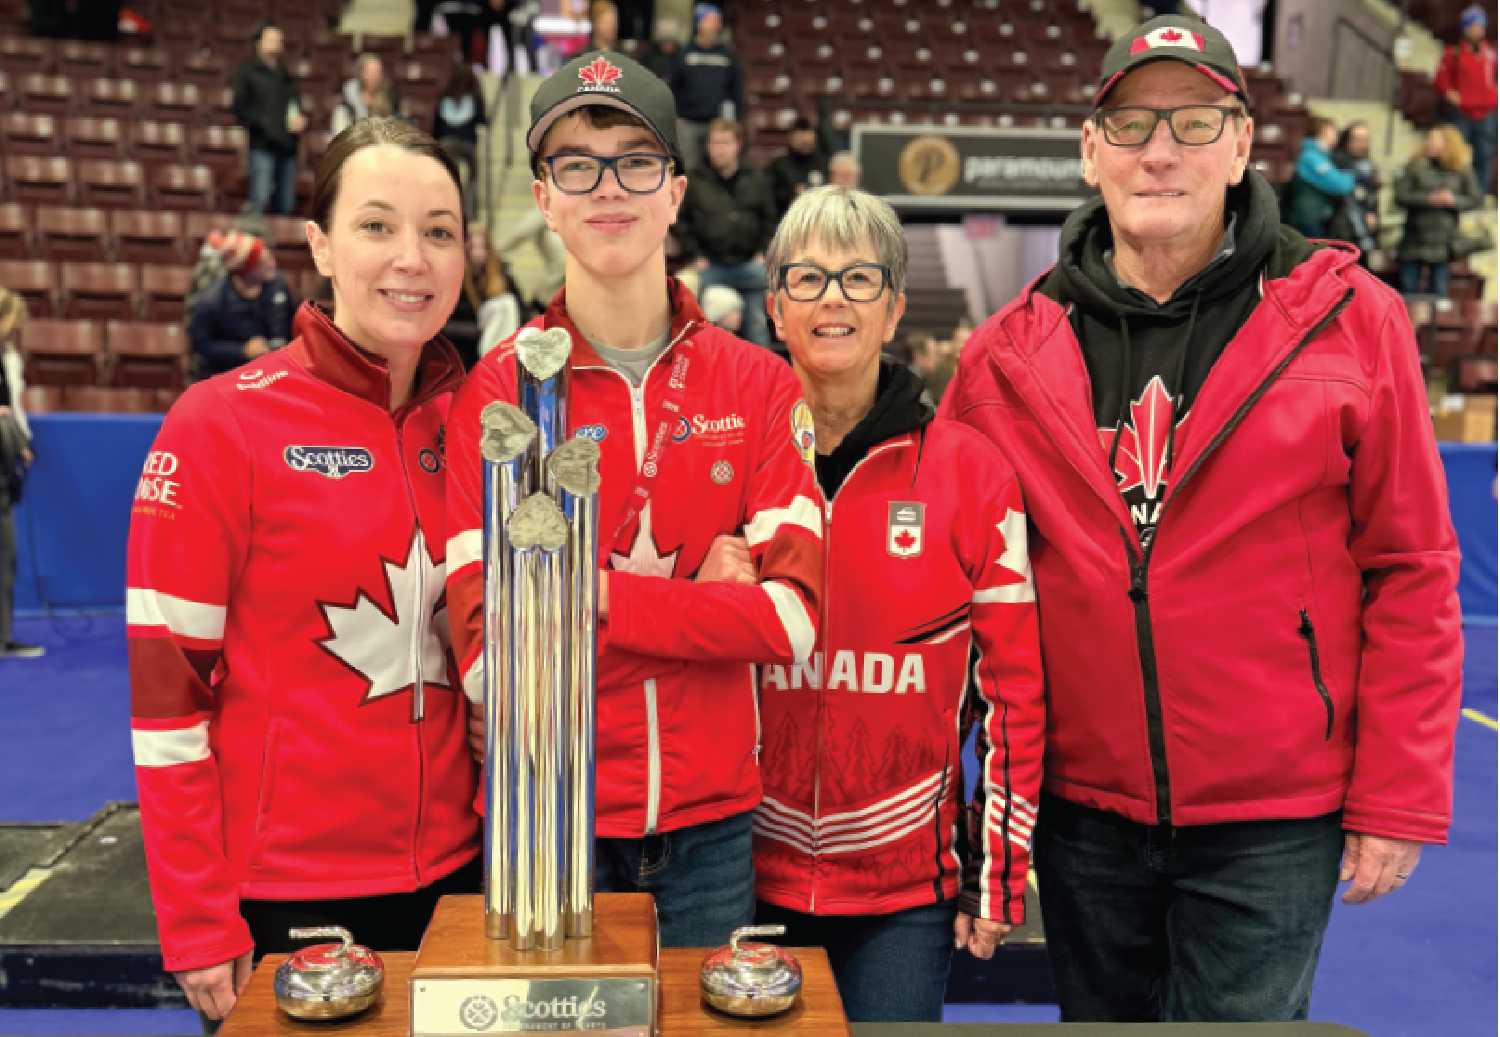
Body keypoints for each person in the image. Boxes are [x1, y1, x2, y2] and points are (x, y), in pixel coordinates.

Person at [941, 15, 1462, 1023]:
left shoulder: (1352, 320)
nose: (1161, 150)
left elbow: (1412, 565)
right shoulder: (1003, 356)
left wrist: (1396, 793)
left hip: (1274, 811)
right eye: (1132, 124)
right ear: (1091, 152)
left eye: (1191, 121)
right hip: (1082, 811)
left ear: (1239, 143)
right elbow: (965, 594)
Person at [446, 50, 822, 948]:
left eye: (636, 161)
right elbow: (491, 668)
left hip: (713, 828)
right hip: (547, 822)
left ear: (676, 192)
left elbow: (793, 624)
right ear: (544, 197)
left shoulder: (761, 385)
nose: (608, 188)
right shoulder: (502, 394)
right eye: (577, 163)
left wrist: (593, 593)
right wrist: (709, 609)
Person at [127, 117, 479, 1023]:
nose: (412, 257)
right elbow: (169, 702)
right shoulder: (219, 425)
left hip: (462, 880)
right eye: (376, 225)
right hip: (286, 897)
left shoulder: (485, 426)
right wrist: (199, 918)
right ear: (318, 243)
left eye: (439, 230)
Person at [752, 186, 1044, 1023]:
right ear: (777, 309)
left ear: (894, 309)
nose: (833, 297)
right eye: (806, 278)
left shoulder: (971, 472)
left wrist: (998, 869)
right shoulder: (735, 462)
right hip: (741, 873)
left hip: (901, 893)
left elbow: (1015, 694)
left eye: (859, 278)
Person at [675, 118, 777, 347]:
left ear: (737, 145)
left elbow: (770, 220)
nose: (718, 149)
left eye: (725, 142)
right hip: (710, 266)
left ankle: (761, 380)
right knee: (699, 321)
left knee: (757, 325)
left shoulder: (757, 179)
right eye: (714, 143)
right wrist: (695, 255)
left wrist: (762, 251)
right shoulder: (695, 181)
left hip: (748, 266)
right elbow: (681, 221)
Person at [187, 231, 297, 377]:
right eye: (262, 263)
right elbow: (201, 346)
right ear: (245, 270)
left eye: (269, 257)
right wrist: (242, 350)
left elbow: (296, 323)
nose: (273, 264)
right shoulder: (211, 302)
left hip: (276, 371)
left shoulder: (279, 285)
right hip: (231, 376)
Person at [1397, 125, 1484, 299]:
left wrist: (1453, 200)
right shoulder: (1415, 166)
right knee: (1407, 292)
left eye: (1435, 140)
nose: (1430, 144)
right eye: (1429, 139)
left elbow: (1475, 199)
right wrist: (1428, 199)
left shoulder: (1461, 169)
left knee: (1439, 293)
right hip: (1414, 237)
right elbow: (1400, 195)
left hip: (1444, 241)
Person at [0, 289, 40, 660]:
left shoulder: (9, 360)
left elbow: (13, 409)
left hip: (5, 470)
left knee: (6, 557)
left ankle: (3, 635)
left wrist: (20, 440)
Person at [231, 20, 305, 216]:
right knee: (260, 200)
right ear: (259, 43)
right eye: (271, 39)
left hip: (287, 146)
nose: (276, 43)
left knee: (286, 204)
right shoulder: (247, 71)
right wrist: (262, 124)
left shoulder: (286, 74)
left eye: (279, 39)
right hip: (262, 144)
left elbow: (294, 104)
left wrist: (299, 119)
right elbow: (239, 108)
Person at [667, 3, 744, 170]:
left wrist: (736, 119)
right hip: (687, 123)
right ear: (699, 23)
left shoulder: (727, 55)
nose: (715, 24)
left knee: (716, 167)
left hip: (716, 123)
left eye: (717, 21)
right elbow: (672, 86)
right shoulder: (684, 53)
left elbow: (735, 89)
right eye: (711, 20)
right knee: (687, 167)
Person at [1433, 4, 1496, 191]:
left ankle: (1479, 195)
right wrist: (1449, 93)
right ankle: (1457, 192)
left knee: (1485, 156)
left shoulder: (1492, 54)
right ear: (1465, 28)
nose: (1478, 30)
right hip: (1462, 113)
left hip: (1487, 113)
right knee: (1457, 154)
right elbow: (1440, 80)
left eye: (1481, 27)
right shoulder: (1453, 53)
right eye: (1473, 26)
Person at [433, 60, 490, 219]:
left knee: (451, 176)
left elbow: (437, 124)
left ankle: (447, 207)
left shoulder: (445, 94)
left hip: (446, 143)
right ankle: (470, 212)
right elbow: (482, 120)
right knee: (473, 175)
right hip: (468, 144)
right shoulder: (473, 95)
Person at [1283, 116, 1354, 238]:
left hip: (1317, 219)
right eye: (1333, 130)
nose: (1337, 134)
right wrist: (1350, 176)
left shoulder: (1321, 155)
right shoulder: (1311, 157)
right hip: (1308, 221)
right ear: (1323, 131)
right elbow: (1340, 185)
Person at [1329, 121, 1381, 262]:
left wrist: (1372, 213)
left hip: (1364, 231)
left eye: (1365, 139)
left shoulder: (1369, 166)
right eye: (1357, 139)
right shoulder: (1335, 162)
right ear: (1347, 140)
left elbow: (1372, 195)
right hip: (1340, 229)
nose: (1361, 144)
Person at [765, 116, 828, 217]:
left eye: (809, 141)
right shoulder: (779, 165)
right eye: (802, 141)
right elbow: (770, 196)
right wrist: (792, 193)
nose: (806, 143)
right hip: (787, 217)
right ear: (791, 138)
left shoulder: (823, 163)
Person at [332, 53, 400, 135]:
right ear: (361, 73)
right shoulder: (345, 104)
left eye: (378, 72)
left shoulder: (389, 97)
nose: (376, 76)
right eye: (371, 72)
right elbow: (340, 135)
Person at [640, 14, 682, 82]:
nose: (667, 45)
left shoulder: (681, 57)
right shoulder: (650, 57)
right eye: (664, 41)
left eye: (670, 41)